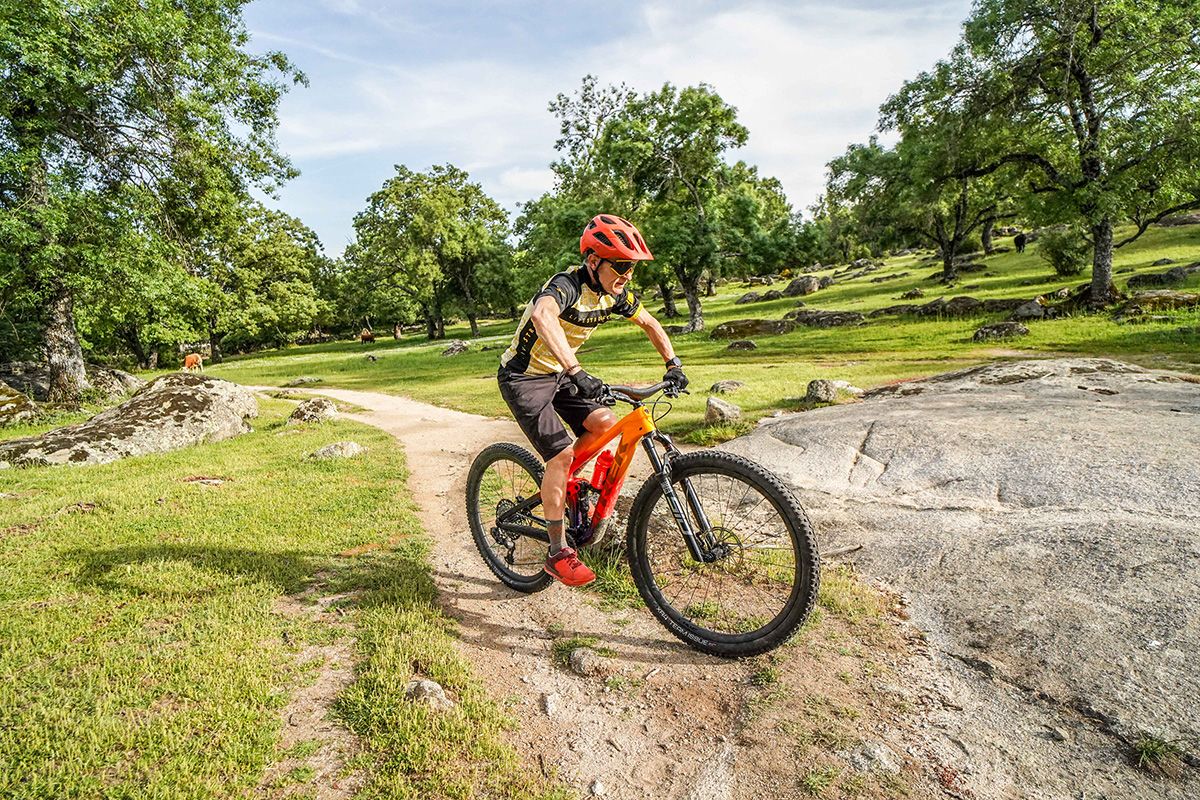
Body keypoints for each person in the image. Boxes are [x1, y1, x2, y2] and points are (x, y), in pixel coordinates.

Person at [496, 214, 688, 587]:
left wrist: (673, 363)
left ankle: (565, 483)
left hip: (560, 373)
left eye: (631, 267)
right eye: (620, 265)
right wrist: (576, 371)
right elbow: (542, 315)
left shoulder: (615, 295)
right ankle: (557, 552)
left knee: (605, 424)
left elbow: (650, 322)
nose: (627, 275)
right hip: (524, 376)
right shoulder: (567, 285)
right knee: (561, 454)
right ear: (594, 261)